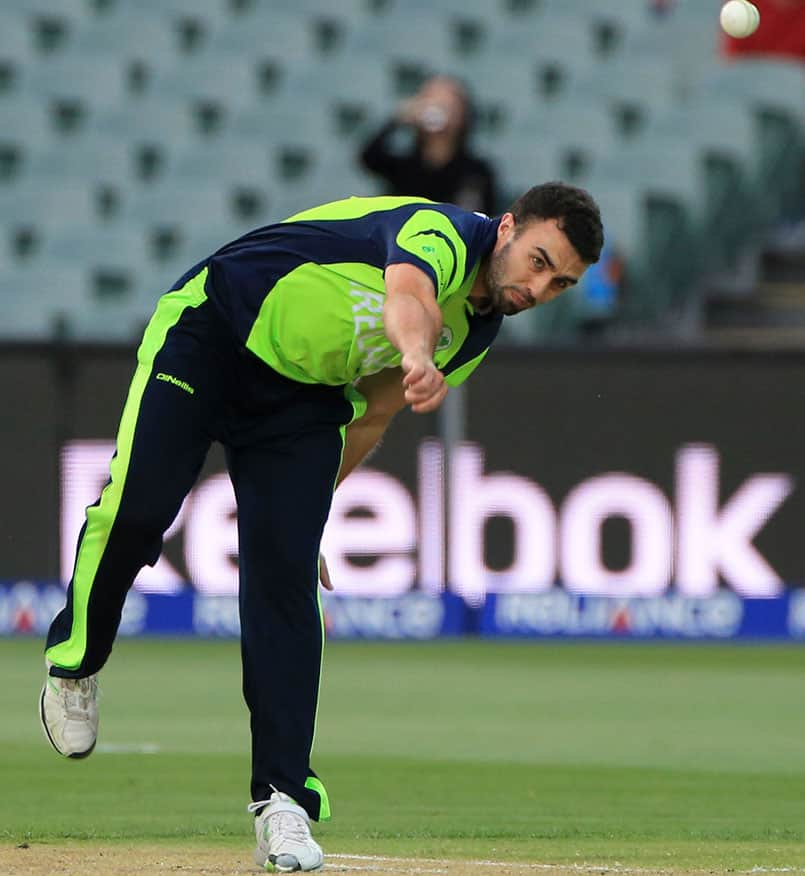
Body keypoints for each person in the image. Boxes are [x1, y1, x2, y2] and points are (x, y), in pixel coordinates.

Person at [39, 182, 603, 872]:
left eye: (561, 283)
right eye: (538, 261)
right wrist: (418, 353)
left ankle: (282, 802)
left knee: (284, 577)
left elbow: (369, 414)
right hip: (211, 333)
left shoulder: (478, 333)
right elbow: (408, 298)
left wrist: (315, 510)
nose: (540, 287)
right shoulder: (441, 233)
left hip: (303, 400)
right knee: (138, 509)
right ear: (509, 227)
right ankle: (75, 665)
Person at [360, 75, 499, 215]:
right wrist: (398, 119)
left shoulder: (476, 173)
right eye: (430, 100)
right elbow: (369, 157)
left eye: (447, 104)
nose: (438, 109)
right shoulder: (402, 166)